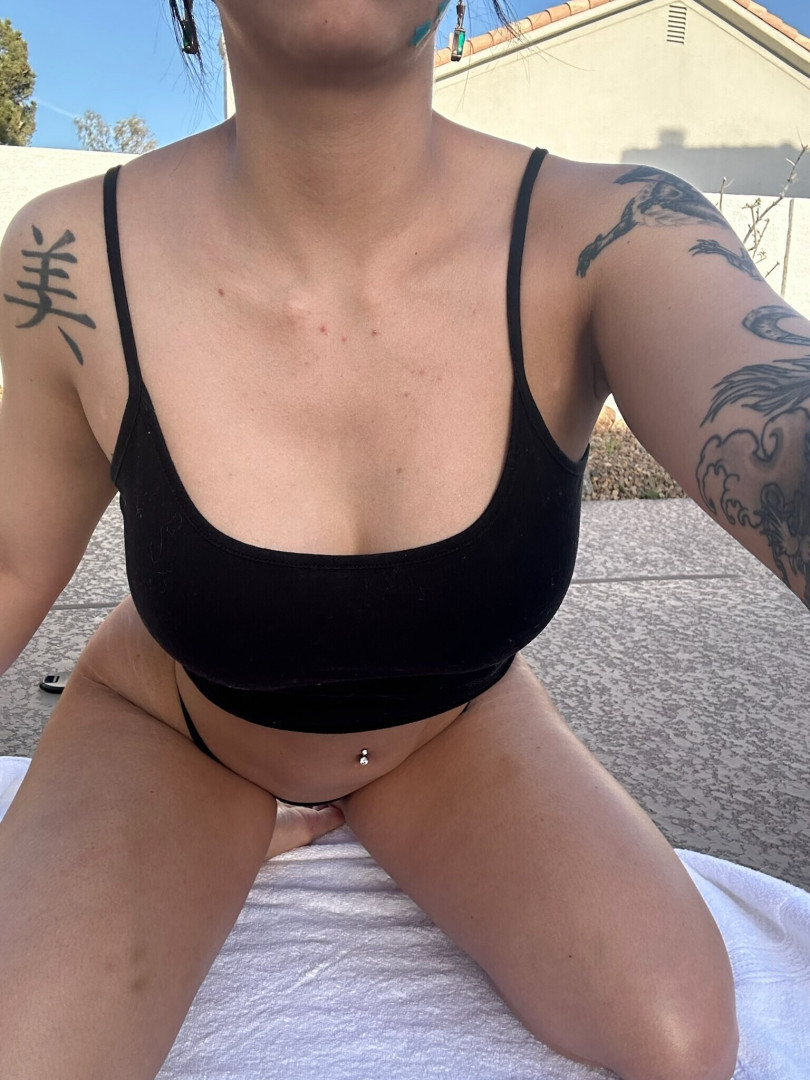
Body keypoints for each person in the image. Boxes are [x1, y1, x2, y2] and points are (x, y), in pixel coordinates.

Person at [1, 0, 807, 1076]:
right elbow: (9, 562)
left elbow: (778, 418)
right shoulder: (68, 257)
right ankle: (230, 816)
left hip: (447, 723)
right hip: (184, 724)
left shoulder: (617, 234)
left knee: (682, 1037)